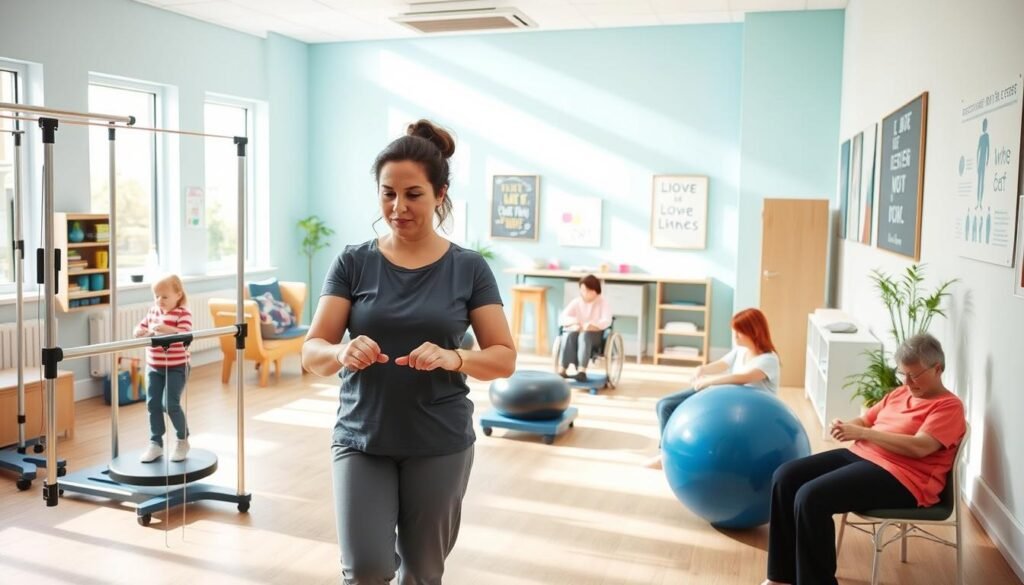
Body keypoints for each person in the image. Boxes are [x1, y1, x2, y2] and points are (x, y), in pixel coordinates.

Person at [301, 119, 517, 585]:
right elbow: (312, 350)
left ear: (440, 194)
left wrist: (454, 357)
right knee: (365, 570)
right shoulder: (353, 262)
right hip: (362, 439)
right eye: (387, 193)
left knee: (421, 573)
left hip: (438, 442)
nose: (398, 207)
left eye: (413, 194)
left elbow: (503, 356)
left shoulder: (469, 269)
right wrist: (341, 351)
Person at [762, 333, 966, 585]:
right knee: (785, 476)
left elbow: (920, 447)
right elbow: (866, 420)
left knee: (811, 497)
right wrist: (848, 425)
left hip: (903, 477)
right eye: (903, 374)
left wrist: (863, 433)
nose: (908, 381)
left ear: (938, 369)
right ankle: (781, 578)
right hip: (862, 454)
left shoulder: (948, 406)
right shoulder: (899, 394)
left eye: (914, 375)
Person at [646, 307, 780, 469]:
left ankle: (667, 457)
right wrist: (702, 370)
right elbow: (722, 364)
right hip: (729, 399)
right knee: (664, 405)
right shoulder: (741, 351)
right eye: (734, 331)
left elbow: (741, 378)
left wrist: (710, 381)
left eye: (739, 332)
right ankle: (665, 454)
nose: (735, 336)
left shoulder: (768, 360)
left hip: (753, 411)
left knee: (669, 405)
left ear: (754, 332)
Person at [134, 274, 193, 463]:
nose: (160, 300)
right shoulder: (153, 312)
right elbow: (140, 327)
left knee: (170, 404)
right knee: (153, 404)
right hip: (154, 366)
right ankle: (156, 443)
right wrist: (139, 332)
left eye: (165, 296)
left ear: (178, 294)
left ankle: (182, 440)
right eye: (156, 296)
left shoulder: (183, 313)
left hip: (177, 367)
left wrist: (168, 329)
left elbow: (186, 333)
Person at [557, 274, 612, 382]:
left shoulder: (603, 303)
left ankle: (582, 370)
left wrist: (593, 325)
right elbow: (563, 317)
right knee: (569, 334)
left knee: (585, 335)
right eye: (582, 290)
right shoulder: (577, 301)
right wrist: (575, 322)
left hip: (595, 336)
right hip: (578, 332)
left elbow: (606, 320)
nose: (584, 293)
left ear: (594, 291)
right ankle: (563, 368)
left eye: (587, 290)